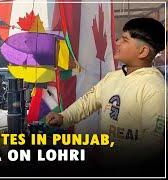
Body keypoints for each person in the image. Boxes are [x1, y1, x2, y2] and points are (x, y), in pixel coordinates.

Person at [46, 18, 165, 169]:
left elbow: (154, 145)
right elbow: (87, 102)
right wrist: (64, 117)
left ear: (142, 51)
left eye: (125, 39)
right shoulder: (112, 78)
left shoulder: (154, 88)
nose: (117, 42)